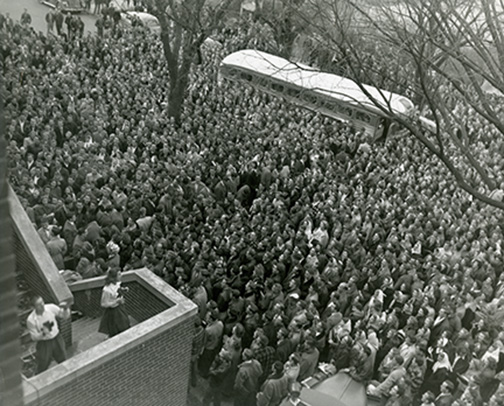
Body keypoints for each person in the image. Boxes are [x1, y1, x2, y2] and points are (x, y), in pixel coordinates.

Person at [26, 295, 71, 374]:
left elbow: (64, 316)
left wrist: (66, 309)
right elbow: (33, 337)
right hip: (44, 343)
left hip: (56, 339)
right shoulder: (31, 319)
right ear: (34, 307)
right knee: (43, 363)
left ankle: (67, 374)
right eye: (39, 305)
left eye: (42, 302)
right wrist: (43, 333)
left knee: (63, 358)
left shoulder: (51, 308)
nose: (42, 305)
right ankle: (39, 379)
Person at [98, 268, 130, 337]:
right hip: (113, 312)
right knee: (116, 329)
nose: (121, 275)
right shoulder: (107, 290)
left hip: (120, 308)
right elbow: (103, 304)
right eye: (119, 274)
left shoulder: (117, 284)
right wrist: (116, 301)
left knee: (125, 324)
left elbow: (117, 290)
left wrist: (123, 290)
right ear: (114, 276)